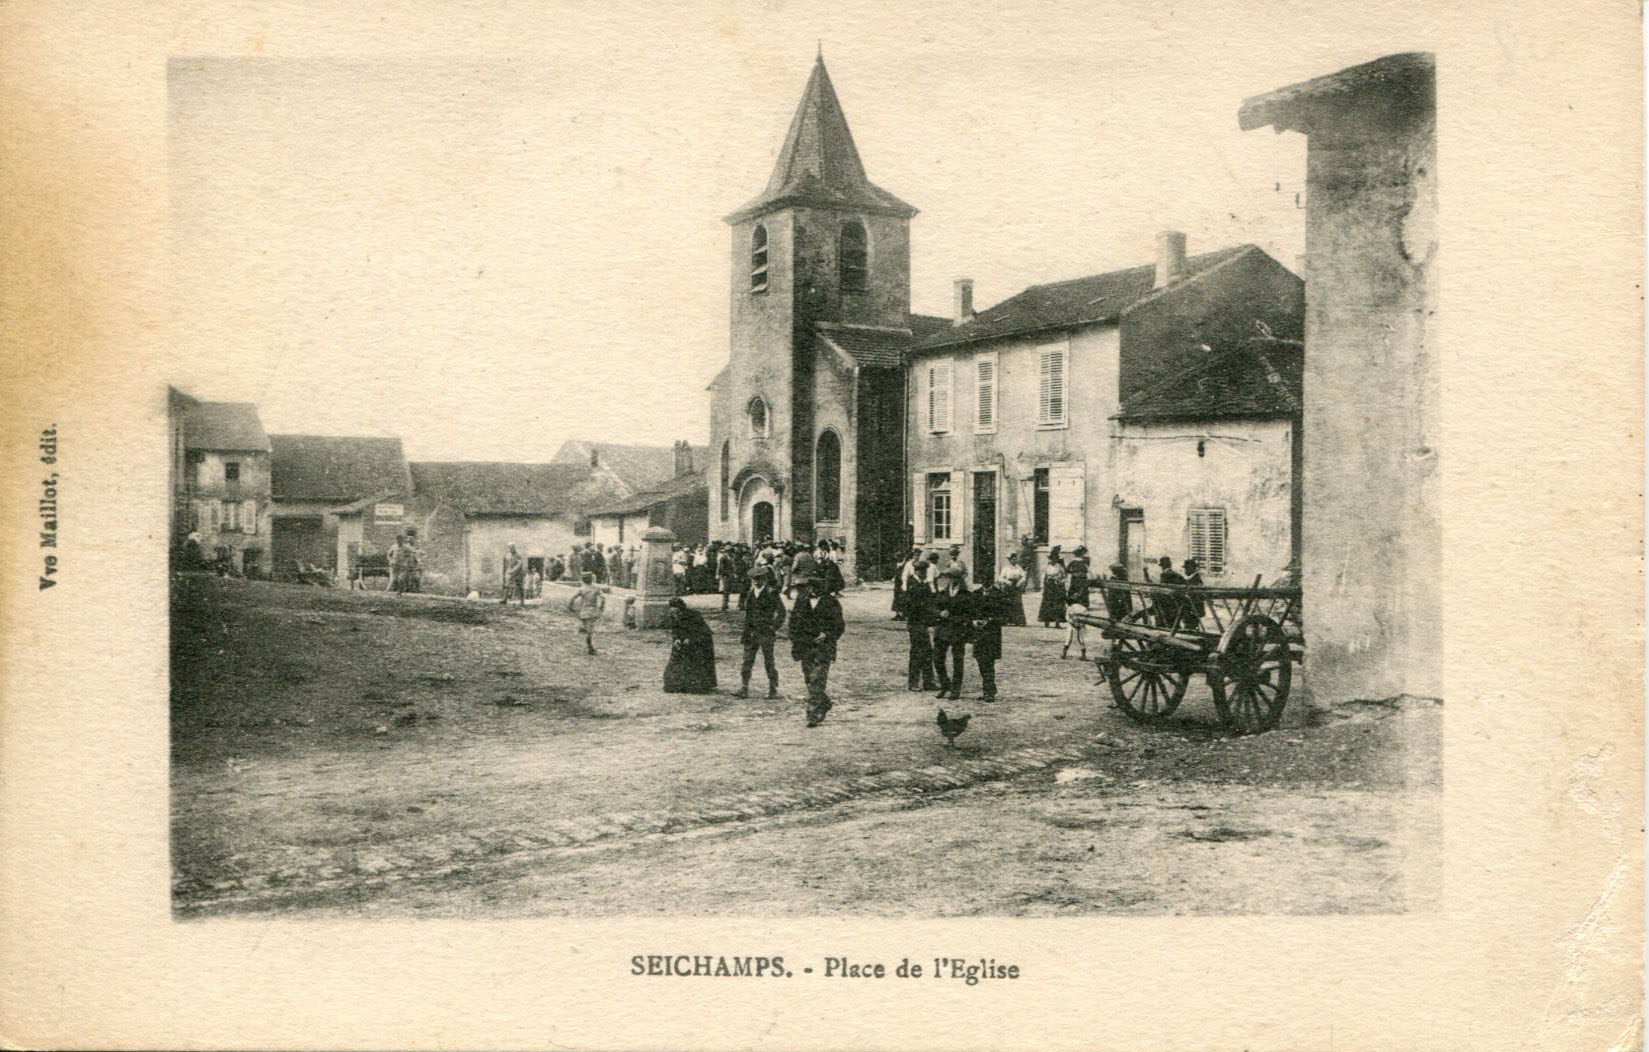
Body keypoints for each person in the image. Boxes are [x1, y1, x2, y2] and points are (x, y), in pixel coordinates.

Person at [789, 574, 844, 727]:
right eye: (812, 588)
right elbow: (794, 622)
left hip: (823, 647)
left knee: (817, 680)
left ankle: (812, 715)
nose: (814, 591)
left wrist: (827, 634)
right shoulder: (801, 600)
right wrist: (794, 639)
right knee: (809, 679)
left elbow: (839, 625)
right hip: (805, 646)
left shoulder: (831, 602)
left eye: (818, 588)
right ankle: (824, 702)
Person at [735, 564, 786, 699]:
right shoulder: (750, 594)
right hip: (751, 633)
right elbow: (748, 615)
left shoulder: (771, 593)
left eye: (759, 579)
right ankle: (744, 688)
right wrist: (745, 633)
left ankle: (772, 689)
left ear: (765, 579)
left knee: (769, 662)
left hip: (766, 633)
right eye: (754, 579)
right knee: (747, 661)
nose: (757, 582)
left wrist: (773, 627)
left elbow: (782, 613)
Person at [931, 566, 973, 700]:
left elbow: (969, 614)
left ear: (960, 579)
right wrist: (940, 613)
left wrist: (958, 620)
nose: (952, 580)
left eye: (955, 578)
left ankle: (956, 689)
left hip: (957, 631)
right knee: (937, 659)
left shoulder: (966, 595)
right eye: (950, 577)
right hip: (942, 630)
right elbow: (934, 607)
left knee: (957, 661)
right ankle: (945, 684)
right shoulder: (943, 592)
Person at [663, 597, 718, 693]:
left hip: (701, 640)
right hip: (684, 640)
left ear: (681, 609)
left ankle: (698, 685)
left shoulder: (694, 614)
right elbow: (675, 628)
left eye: (677, 611)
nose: (675, 613)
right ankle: (676, 684)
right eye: (673, 610)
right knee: (676, 657)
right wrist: (676, 639)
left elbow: (699, 630)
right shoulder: (673, 615)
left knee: (696, 660)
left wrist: (690, 639)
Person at [971, 579, 1009, 702]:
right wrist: (974, 621)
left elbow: (1004, 614)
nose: (984, 582)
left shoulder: (999, 594)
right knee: (980, 661)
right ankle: (990, 689)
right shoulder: (976, 593)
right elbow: (970, 611)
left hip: (992, 632)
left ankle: (988, 691)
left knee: (989, 662)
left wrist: (990, 620)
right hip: (979, 632)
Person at [904, 560, 938, 691]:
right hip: (915, 624)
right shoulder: (913, 585)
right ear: (917, 571)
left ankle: (928, 682)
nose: (925, 573)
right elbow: (918, 606)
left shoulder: (921, 584)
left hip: (921, 623)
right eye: (923, 571)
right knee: (917, 653)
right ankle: (914, 683)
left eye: (925, 571)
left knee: (926, 652)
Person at [566, 572, 606, 655]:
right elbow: (603, 598)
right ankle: (590, 648)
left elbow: (572, 598)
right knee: (590, 631)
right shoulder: (596, 588)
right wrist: (601, 607)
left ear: (583, 580)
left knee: (586, 625)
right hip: (592, 611)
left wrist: (570, 607)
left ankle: (583, 628)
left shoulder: (582, 589)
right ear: (592, 579)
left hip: (583, 611)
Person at [1152, 555, 1186, 627]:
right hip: (1176, 605)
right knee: (1174, 624)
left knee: (1163, 623)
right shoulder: (1178, 575)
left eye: (1161, 566)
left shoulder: (1164, 575)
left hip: (1166, 606)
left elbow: (1162, 591)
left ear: (1163, 566)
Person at [1038, 547, 1067, 627]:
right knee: (1048, 604)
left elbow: (1064, 577)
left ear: (1056, 559)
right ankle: (1046, 621)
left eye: (1054, 558)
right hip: (1049, 587)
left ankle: (1057, 622)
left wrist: (1060, 582)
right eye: (1051, 558)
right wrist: (1042, 588)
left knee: (1057, 604)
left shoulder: (1060, 567)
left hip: (1057, 587)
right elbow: (1043, 577)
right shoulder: (1047, 567)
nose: (1052, 560)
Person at [998, 552, 1029, 626]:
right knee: (1007, 603)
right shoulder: (1006, 568)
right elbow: (1000, 578)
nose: (1014, 561)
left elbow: (1023, 577)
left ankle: (1018, 621)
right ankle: (1006, 621)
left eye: (1015, 559)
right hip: (1008, 587)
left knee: (1017, 603)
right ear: (1010, 560)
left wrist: (1019, 582)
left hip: (1016, 586)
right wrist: (1007, 582)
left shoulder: (1019, 568)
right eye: (1013, 559)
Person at [892, 547, 919, 621]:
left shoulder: (907, 564)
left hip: (908, 582)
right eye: (916, 555)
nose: (917, 557)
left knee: (906, 598)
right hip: (899, 582)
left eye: (918, 555)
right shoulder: (905, 564)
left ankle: (904, 614)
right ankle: (899, 614)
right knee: (898, 597)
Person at [1180, 558, 1206, 629]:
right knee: (1189, 626)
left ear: (1192, 568)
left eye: (1187, 568)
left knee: (1190, 626)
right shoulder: (1191, 578)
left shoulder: (1195, 579)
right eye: (1185, 568)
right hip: (1191, 608)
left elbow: (1195, 595)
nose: (1185, 570)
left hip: (1193, 609)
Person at [716, 545, 737, 610]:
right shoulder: (723, 558)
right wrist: (729, 574)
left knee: (729, 590)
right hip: (726, 576)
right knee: (726, 590)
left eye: (730, 551)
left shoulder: (733, 557)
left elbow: (735, 565)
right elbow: (721, 568)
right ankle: (724, 605)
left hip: (732, 575)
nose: (729, 552)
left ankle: (726, 604)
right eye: (727, 551)